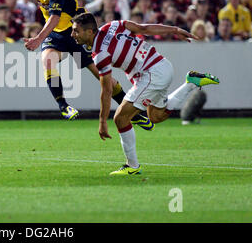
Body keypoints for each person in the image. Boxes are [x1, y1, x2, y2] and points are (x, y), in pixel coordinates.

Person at [0, 0, 153, 130]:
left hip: (77, 32)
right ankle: (64, 106)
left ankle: (134, 113)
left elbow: (54, 17)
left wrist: (38, 38)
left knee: (102, 77)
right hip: (56, 33)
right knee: (48, 60)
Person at [70, 12, 220, 176]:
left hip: (151, 75)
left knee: (120, 118)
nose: (73, 34)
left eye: (76, 31)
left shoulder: (100, 54)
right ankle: (191, 83)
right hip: (162, 65)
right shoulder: (113, 25)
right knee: (156, 116)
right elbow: (144, 28)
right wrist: (175, 29)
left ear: (89, 32)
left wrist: (102, 121)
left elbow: (107, 90)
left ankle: (132, 166)